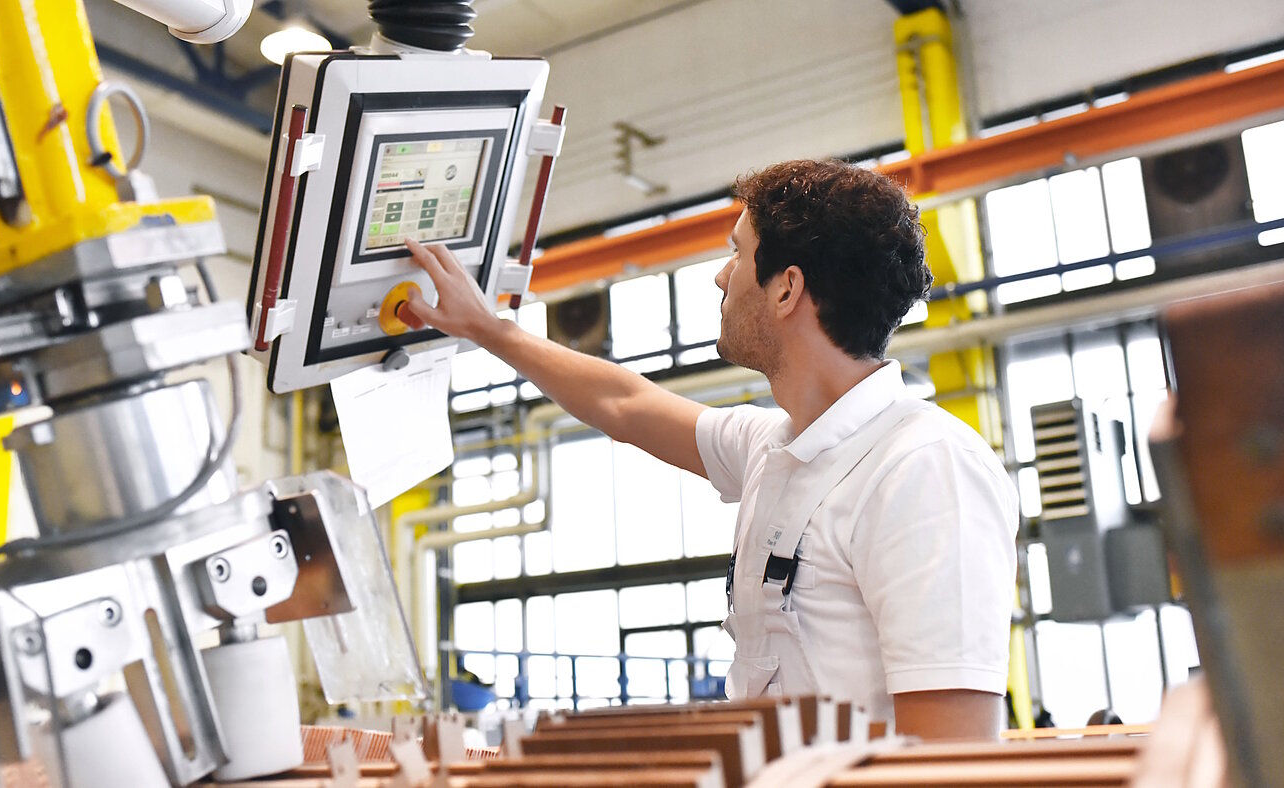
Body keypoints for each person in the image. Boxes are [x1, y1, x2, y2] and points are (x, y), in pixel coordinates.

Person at [399, 158, 1018, 741]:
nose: (721, 276)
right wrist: (487, 328)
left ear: (786, 290)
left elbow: (952, 750)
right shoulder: (775, 449)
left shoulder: (923, 469)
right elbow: (625, 405)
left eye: (738, 254)